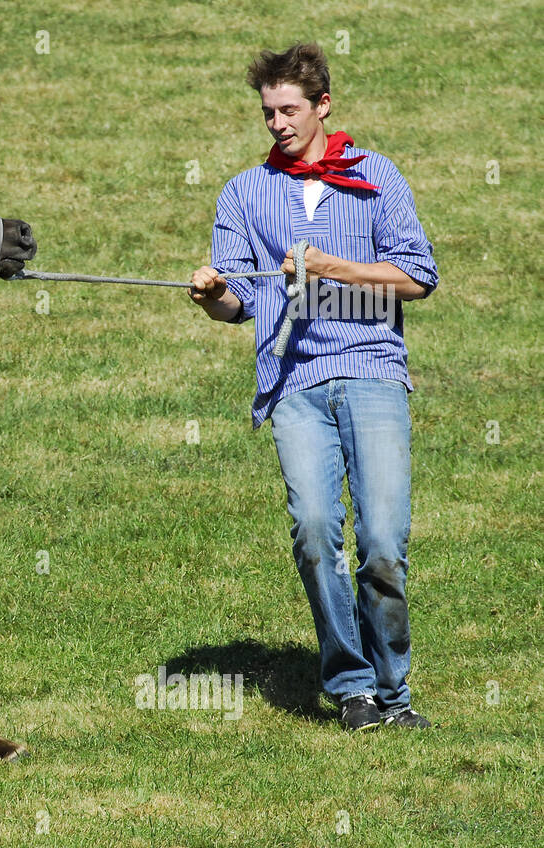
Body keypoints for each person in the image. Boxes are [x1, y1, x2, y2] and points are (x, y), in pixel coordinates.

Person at [188, 43, 437, 731]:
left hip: (372, 372)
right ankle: (352, 686)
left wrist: (334, 266)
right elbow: (238, 302)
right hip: (293, 382)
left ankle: (396, 692)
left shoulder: (376, 175)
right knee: (316, 532)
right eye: (267, 112)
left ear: (323, 105)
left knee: (384, 539)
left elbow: (417, 276)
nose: (276, 123)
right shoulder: (243, 193)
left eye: (288, 110)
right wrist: (209, 295)